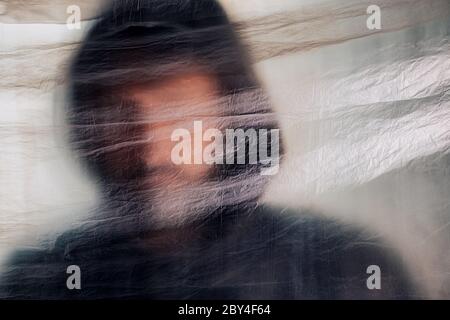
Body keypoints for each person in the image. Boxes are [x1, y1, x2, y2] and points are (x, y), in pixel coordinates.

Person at [0, 0, 417, 299]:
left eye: (176, 110)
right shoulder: (39, 282)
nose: (150, 145)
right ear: (85, 127)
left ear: (232, 115)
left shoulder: (346, 271)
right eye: (119, 114)